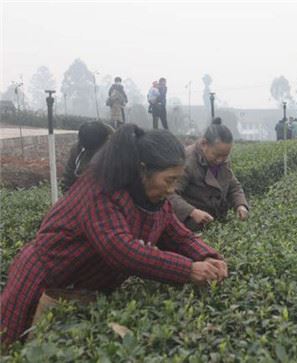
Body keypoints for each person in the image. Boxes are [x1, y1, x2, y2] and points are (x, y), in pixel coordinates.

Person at [0, 124, 228, 347]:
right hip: (42, 281)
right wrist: (188, 270)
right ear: (142, 169)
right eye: (169, 180)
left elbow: (178, 235)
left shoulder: (154, 200)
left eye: (176, 180)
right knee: (12, 346)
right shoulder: (101, 190)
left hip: (80, 291)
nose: (172, 189)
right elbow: (123, 251)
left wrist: (207, 256)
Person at [169, 117, 249, 231]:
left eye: (225, 155)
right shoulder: (187, 160)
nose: (220, 160)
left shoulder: (223, 162)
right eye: (216, 155)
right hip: (190, 226)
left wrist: (241, 205)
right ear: (204, 144)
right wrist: (191, 212)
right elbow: (170, 194)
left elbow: (233, 186)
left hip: (215, 222)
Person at [62, 121, 113, 192]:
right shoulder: (77, 150)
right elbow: (68, 177)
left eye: (93, 150)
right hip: (82, 194)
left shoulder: (115, 152)